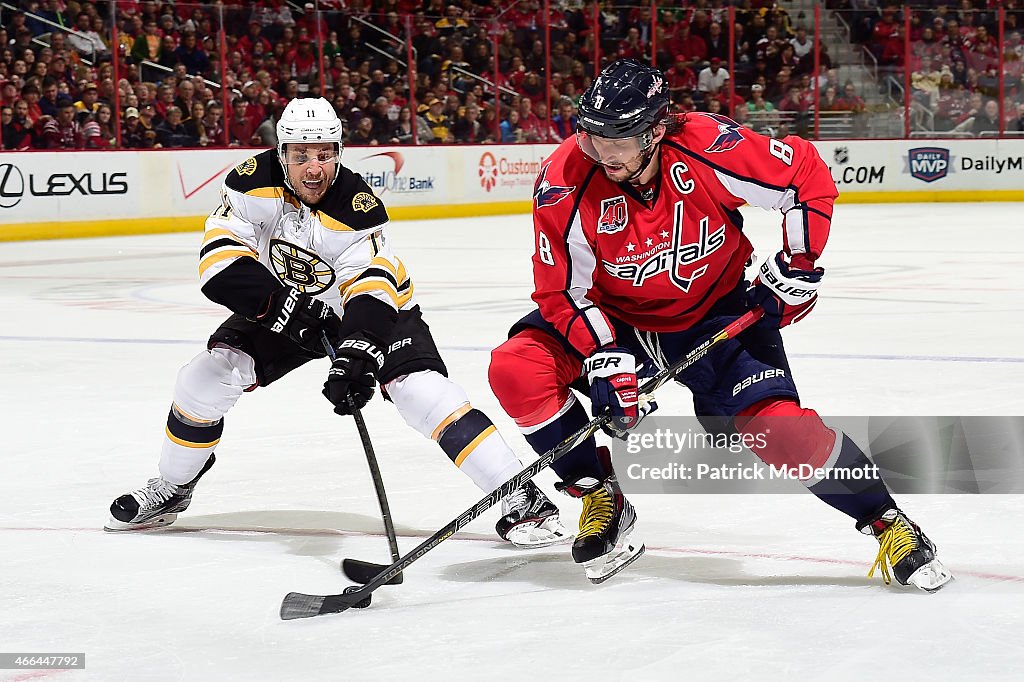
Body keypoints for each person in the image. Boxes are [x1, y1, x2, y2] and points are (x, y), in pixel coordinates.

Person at [487, 59, 952, 590]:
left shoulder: (707, 144)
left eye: (616, 138)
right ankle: (600, 494)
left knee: (779, 431)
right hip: (619, 320)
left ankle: (888, 523)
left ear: (656, 131)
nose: (599, 149)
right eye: (591, 133)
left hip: (718, 316)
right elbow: (561, 291)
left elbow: (805, 175)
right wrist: (603, 356)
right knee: (517, 367)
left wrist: (798, 264)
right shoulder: (564, 179)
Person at [106, 98, 569, 550]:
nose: (314, 168)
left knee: (420, 391)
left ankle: (522, 496)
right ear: (281, 151)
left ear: (339, 153)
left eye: (324, 155)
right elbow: (219, 265)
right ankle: (172, 486)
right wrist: (289, 314)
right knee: (204, 379)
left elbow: (370, 292)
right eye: (302, 155)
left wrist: (356, 358)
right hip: (288, 305)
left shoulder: (356, 209)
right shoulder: (249, 185)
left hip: (369, 311)